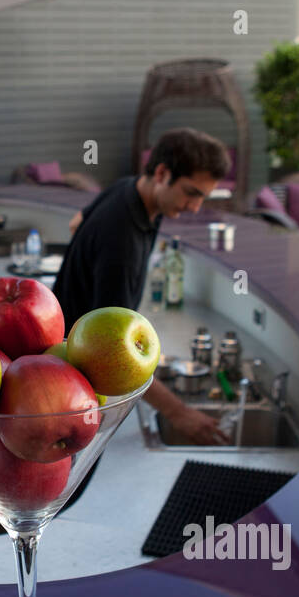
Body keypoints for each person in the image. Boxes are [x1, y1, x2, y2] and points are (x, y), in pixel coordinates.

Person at [54, 128, 231, 447]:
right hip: (74, 375)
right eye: (191, 193)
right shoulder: (121, 242)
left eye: (203, 196)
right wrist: (179, 413)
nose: (195, 207)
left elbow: (76, 222)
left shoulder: (130, 190)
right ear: (162, 173)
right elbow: (112, 357)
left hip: (72, 350)